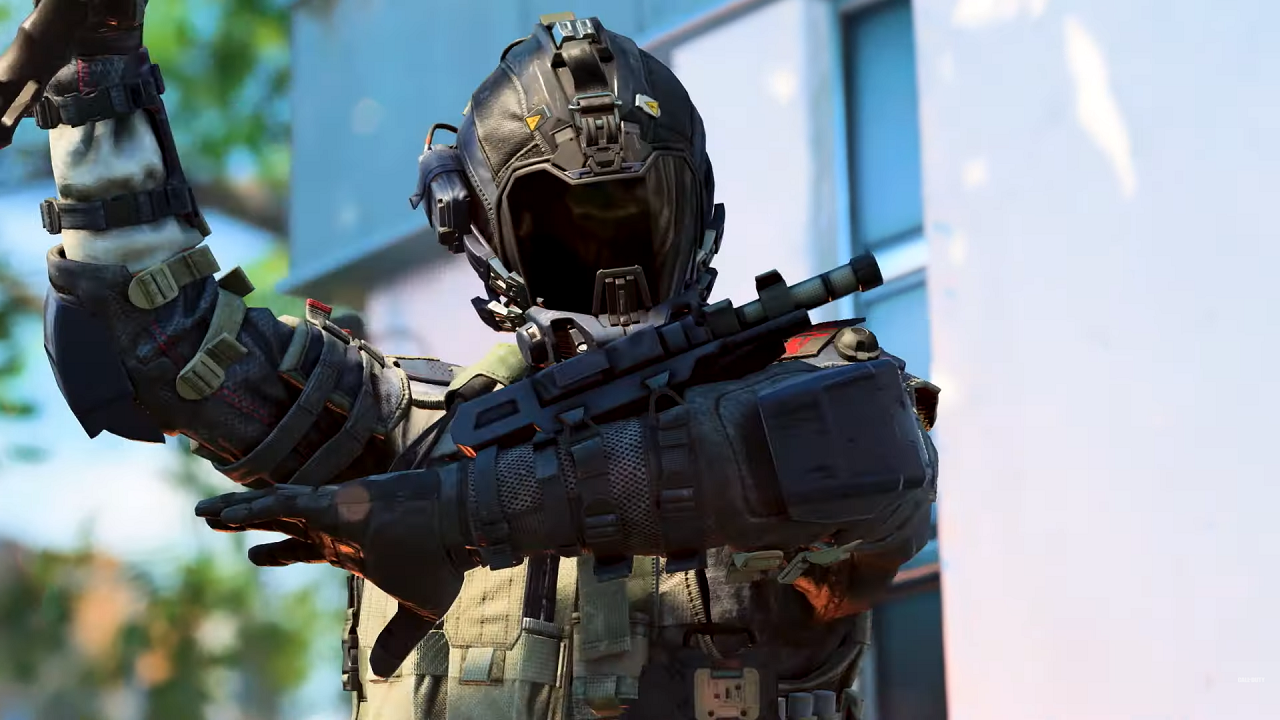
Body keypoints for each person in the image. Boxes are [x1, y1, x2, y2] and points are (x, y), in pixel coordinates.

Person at [29, 5, 939, 718]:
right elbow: (169, 344)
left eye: (641, 216)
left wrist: (460, 512)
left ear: (697, 213)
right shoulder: (407, 432)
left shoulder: (817, 401)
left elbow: (850, 458)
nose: (615, 275)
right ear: (482, 236)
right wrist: (94, 74)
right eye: (565, 231)